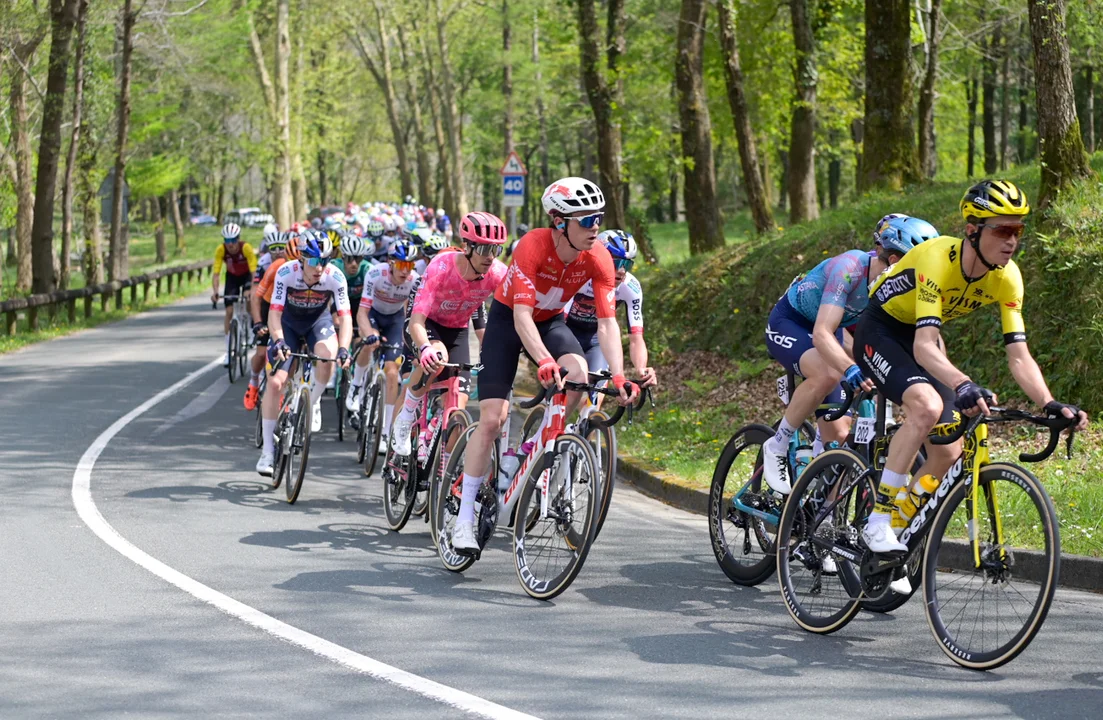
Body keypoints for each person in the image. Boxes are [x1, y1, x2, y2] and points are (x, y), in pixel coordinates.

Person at [855, 180, 1088, 556]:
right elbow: (924, 345)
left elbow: (1018, 355)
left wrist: (1048, 402)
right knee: (926, 407)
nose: (1012, 241)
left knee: (948, 451)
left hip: (922, 336)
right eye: (1002, 230)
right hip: (880, 329)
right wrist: (963, 383)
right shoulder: (937, 259)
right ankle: (877, 522)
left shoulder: (1007, 278)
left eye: (1018, 230)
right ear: (972, 230)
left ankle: (894, 540)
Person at [450, 179, 638, 554]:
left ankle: (530, 451)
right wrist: (544, 360)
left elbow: (606, 324)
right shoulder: (532, 245)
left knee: (580, 375)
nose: (595, 228)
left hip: (550, 322)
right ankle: (464, 519)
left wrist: (619, 375)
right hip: (508, 322)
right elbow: (521, 316)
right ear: (559, 222)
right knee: (492, 420)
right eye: (586, 220)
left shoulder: (599, 257)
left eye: (599, 219)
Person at [760, 214, 939, 493]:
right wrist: (850, 368)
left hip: (835, 329)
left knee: (840, 437)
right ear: (895, 261)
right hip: (792, 322)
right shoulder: (850, 268)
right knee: (827, 374)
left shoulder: (894, 285)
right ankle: (778, 444)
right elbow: (822, 333)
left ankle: (820, 470)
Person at [389, 212, 509, 458]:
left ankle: (442, 467)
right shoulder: (441, 267)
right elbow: (416, 321)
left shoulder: (498, 273)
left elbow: (506, 318)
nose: (490, 257)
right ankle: (406, 414)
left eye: (495, 250)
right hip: (426, 324)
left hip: (457, 331)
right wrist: (425, 348)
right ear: (468, 247)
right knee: (438, 356)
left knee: (457, 408)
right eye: (484, 249)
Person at [256, 232, 352, 476]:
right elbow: (274, 314)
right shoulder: (286, 273)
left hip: (317, 323)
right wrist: (278, 340)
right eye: (314, 261)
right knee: (275, 383)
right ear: (301, 259)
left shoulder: (335, 276)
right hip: (287, 325)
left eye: (324, 261)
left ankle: (313, 400)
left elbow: (345, 318)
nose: (319, 267)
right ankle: (267, 452)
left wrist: (344, 348)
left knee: (328, 356)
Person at [563, 228, 657, 410]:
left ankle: (585, 426)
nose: (621, 271)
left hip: (597, 340)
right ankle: (550, 425)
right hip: (568, 333)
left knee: (595, 402)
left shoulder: (631, 287)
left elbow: (636, 338)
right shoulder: (580, 276)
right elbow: (560, 319)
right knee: (574, 391)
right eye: (616, 262)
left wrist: (641, 369)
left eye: (627, 264)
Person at [350, 240, 420, 440]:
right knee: (368, 343)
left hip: (394, 319)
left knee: (392, 372)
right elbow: (362, 313)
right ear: (391, 263)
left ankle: (385, 431)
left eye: (410, 265)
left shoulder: (415, 281)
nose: (405, 271)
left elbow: (412, 316)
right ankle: (356, 386)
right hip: (372, 314)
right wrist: (368, 333)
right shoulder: (375, 274)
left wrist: (412, 342)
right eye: (401, 264)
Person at [243, 232, 289, 410]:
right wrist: (257, 323)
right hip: (267, 303)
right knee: (262, 354)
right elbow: (255, 296)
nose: (277, 252)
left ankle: (285, 393)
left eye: (281, 248)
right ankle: (254, 382)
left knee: (288, 353)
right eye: (273, 249)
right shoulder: (264, 263)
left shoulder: (293, 262)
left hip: (285, 306)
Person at [211, 223, 258, 366]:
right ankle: (228, 351)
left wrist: (252, 289)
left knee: (248, 298)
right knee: (229, 311)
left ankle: (250, 329)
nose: (230, 244)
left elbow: (254, 271)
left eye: (233, 240)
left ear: (238, 239)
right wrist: (215, 292)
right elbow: (216, 273)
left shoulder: (246, 248)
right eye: (227, 240)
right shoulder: (221, 250)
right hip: (232, 277)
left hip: (247, 276)